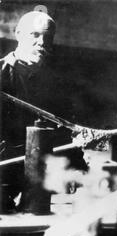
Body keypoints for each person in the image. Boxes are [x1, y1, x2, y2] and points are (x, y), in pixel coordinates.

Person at [1, 11, 85, 210]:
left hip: (42, 177)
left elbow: (66, 132)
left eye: (48, 37)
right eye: (35, 35)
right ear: (18, 34)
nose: (42, 43)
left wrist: (79, 169)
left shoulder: (56, 84)